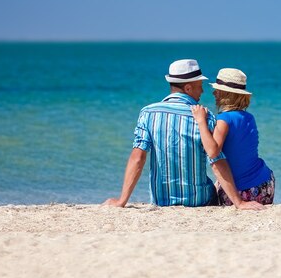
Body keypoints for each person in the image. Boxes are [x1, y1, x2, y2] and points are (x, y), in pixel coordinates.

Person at [103, 59, 265, 210]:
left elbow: (138, 157)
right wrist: (238, 202)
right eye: (200, 85)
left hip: (161, 201)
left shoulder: (147, 113)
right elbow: (215, 161)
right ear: (188, 88)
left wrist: (121, 201)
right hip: (200, 201)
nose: (203, 90)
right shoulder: (205, 116)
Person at [191, 68, 275, 205]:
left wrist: (201, 121)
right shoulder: (249, 117)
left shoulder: (224, 119)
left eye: (217, 90)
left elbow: (213, 152)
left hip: (245, 190)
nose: (213, 93)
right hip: (266, 182)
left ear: (226, 94)